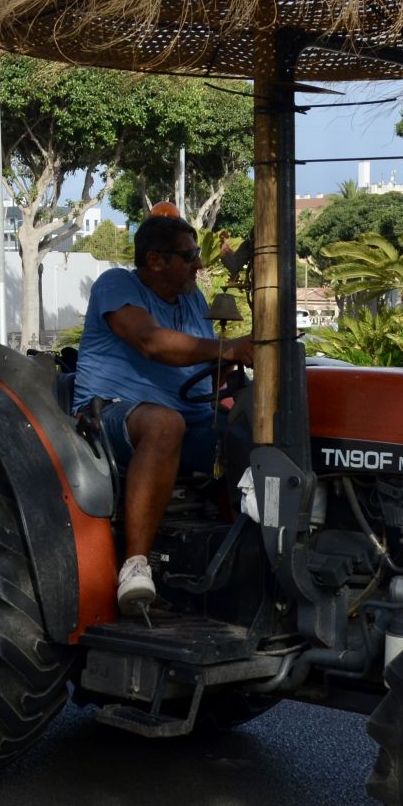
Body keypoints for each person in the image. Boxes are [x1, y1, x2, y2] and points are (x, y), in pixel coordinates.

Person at [72, 214, 255, 611]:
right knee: (164, 424)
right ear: (155, 260)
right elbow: (151, 342)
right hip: (110, 416)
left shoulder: (193, 299)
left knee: (255, 428)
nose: (199, 265)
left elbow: (205, 365)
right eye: (189, 256)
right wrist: (231, 348)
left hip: (192, 418)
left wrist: (241, 366)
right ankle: (135, 567)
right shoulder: (117, 286)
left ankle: (249, 553)